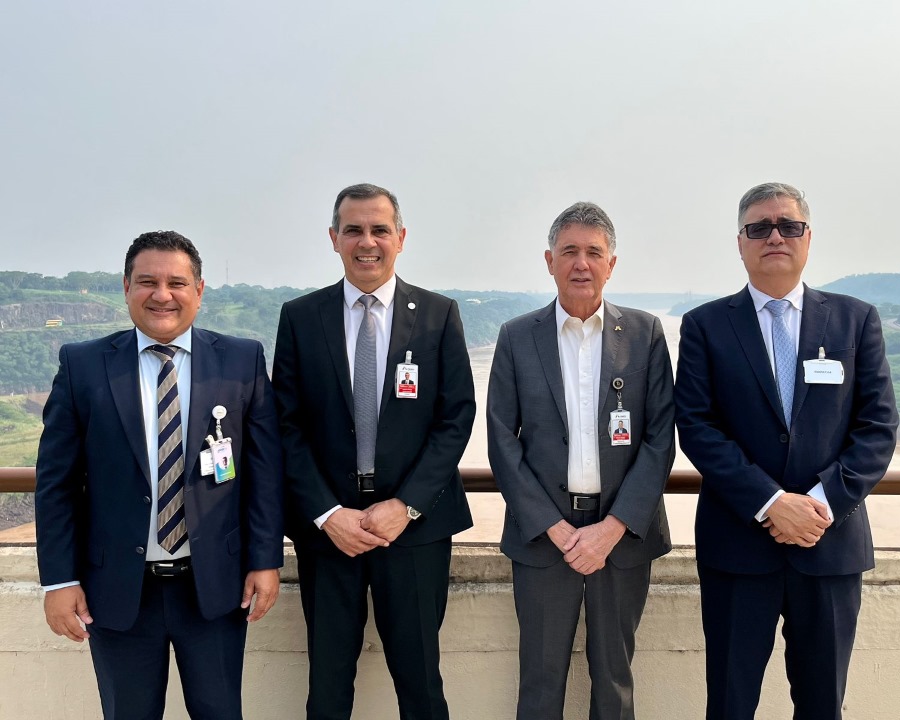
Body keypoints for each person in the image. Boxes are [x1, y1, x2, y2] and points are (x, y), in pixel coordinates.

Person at [34, 230, 285, 720]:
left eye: (177, 282)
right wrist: (58, 580)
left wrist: (264, 560)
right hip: (118, 592)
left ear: (200, 290)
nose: (162, 294)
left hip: (214, 587)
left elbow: (263, 472)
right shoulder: (83, 365)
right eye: (147, 281)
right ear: (126, 286)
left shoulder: (241, 359)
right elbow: (56, 483)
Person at [673, 182, 899, 719]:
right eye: (759, 227)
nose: (774, 236)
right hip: (738, 548)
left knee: (823, 706)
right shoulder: (706, 326)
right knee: (730, 704)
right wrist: (773, 503)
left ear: (807, 237)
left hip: (830, 544)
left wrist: (818, 503)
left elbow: (878, 426)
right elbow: (698, 427)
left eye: (787, 225)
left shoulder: (854, 320)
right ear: (741, 242)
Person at [273, 183, 475, 720]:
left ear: (401, 238)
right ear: (334, 238)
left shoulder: (438, 315)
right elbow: (285, 426)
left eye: (379, 230)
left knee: (421, 686)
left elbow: (455, 421)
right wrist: (326, 513)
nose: (368, 242)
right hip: (330, 532)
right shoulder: (300, 317)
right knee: (328, 687)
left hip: (414, 532)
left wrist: (405, 506)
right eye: (354, 230)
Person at [487, 201, 675, 720]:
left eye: (594, 252)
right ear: (549, 260)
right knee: (540, 685)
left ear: (612, 263)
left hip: (622, 539)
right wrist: (554, 527)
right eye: (569, 251)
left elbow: (660, 440)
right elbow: (502, 441)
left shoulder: (644, 333)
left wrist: (611, 528)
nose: (581, 263)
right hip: (545, 539)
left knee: (614, 684)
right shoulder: (517, 336)